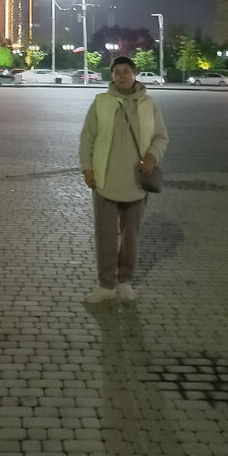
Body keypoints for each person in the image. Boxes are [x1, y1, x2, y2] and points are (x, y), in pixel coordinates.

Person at [79, 55, 169, 304]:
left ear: (134, 73)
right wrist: (87, 168)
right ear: (112, 75)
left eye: (126, 71)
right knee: (105, 235)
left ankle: (125, 281)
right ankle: (106, 285)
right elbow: (87, 138)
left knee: (131, 236)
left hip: (137, 180)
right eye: (117, 71)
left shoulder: (149, 104)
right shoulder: (101, 103)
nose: (121, 75)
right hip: (105, 179)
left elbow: (161, 137)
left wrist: (152, 156)